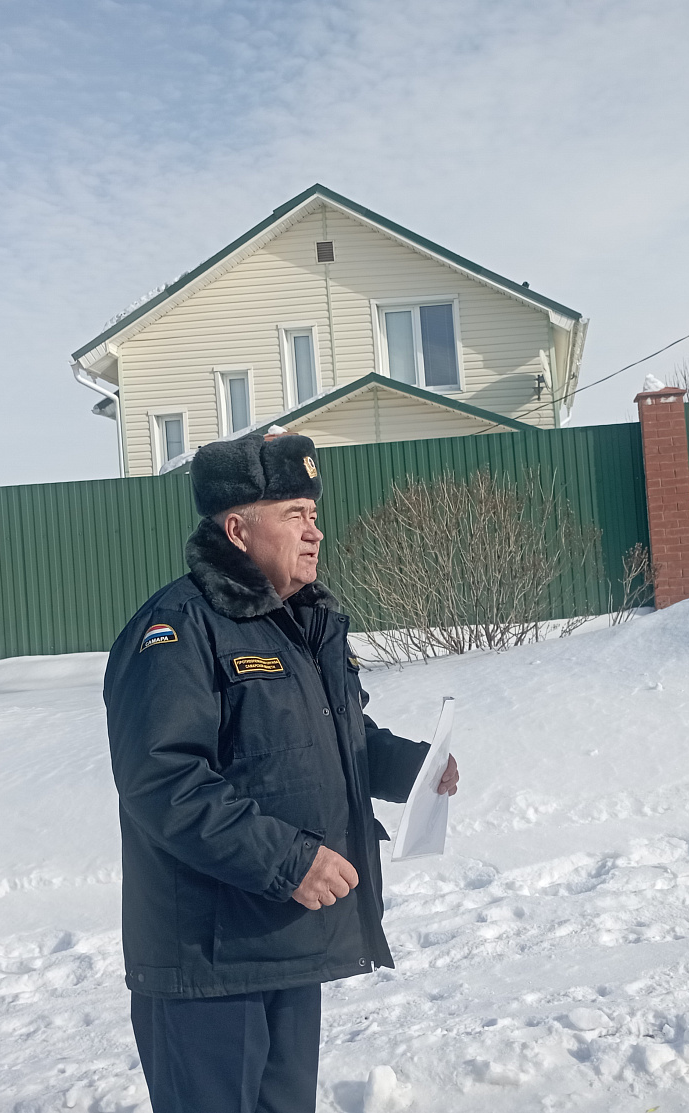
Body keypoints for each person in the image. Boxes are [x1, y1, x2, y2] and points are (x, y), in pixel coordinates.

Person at [103, 431, 459, 1113]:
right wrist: (288, 860)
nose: (314, 532)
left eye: (314, 515)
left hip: (286, 939)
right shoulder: (176, 628)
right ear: (237, 528)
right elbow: (163, 781)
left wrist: (414, 766)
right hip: (208, 962)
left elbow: (334, 734)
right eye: (294, 514)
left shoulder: (298, 624)